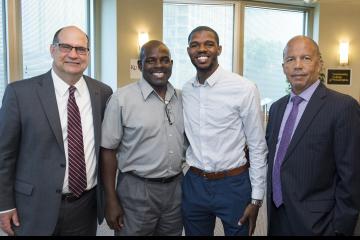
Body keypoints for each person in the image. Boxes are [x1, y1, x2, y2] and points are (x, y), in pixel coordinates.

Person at [0, 26, 113, 236]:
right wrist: (4, 204)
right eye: (65, 47)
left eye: (81, 49)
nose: (73, 54)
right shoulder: (20, 93)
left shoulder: (103, 92)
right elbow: (4, 154)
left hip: (85, 205)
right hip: (34, 206)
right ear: (52, 50)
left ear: (88, 54)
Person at [266, 35, 360, 236]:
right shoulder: (276, 108)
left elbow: (351, 177)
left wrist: (340, 229)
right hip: (278, 216)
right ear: (284, 67)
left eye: (306, 58)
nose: (297, 65)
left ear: (320, 65)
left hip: (320, 223)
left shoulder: (343, 107)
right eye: (291, 60)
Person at [182, 26, 268, 236]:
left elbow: (257, 145)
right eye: (195, 45)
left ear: (219, 49)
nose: (202, 49)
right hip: (194, 184)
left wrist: (256, 199)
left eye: (209, 44)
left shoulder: (244, 88)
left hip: (233, 184)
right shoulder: (185, 90)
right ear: (188, 51)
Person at [100, 40, 184, 236]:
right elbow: (108, 150)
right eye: (151, 61)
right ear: (140, 65)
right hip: (136, 189)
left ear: (171, 63)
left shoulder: (182, 98)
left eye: (164, 60)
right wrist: (111, 199)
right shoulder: (121, 99)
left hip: (176, 189)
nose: (158, 66)